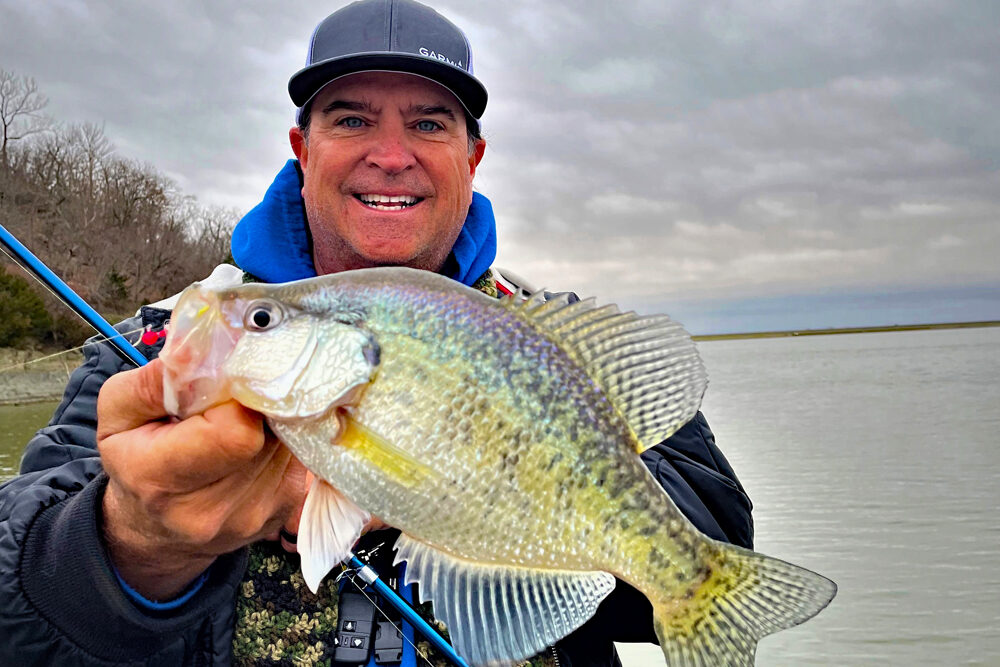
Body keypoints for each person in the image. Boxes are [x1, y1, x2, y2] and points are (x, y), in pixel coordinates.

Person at [0, 1, 753, 664]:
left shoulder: (553, 338)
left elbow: (720, 526)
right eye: (352, 118)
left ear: (473, 157)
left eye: (429, 123)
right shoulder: (167, 349)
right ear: (302, 151)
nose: (390, 156)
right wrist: (135, 541)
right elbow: (19, 609)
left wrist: (471, 488)